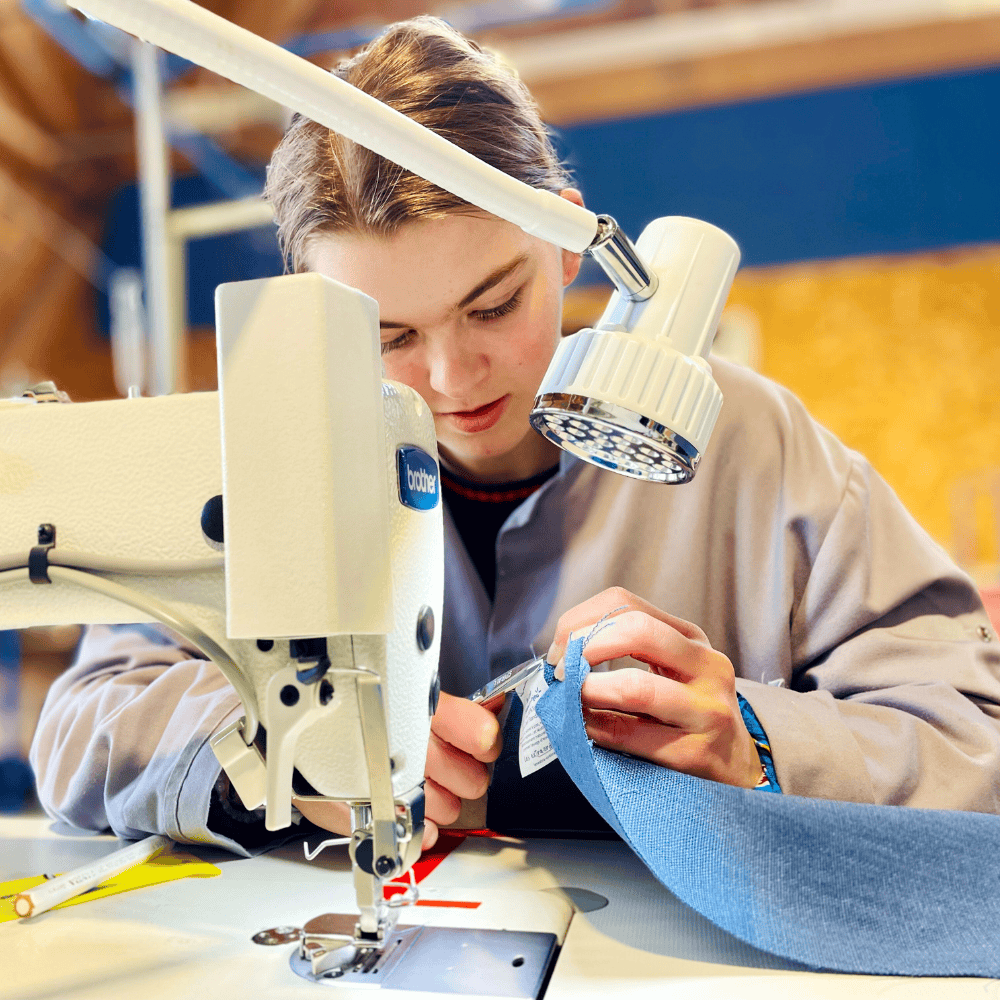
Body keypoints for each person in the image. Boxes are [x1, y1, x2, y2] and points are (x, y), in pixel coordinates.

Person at [31, 17, 1000, 855]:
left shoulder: (754, 445)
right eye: (388, 338)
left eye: (493, 306)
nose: (452, 379)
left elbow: (968, 733)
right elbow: (84, 721)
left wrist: (754, 742)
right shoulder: (267, 469)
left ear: (564, 241)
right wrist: (293, 768)